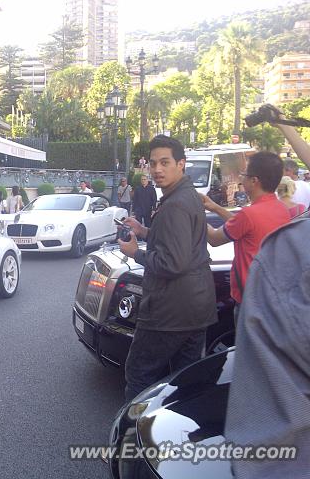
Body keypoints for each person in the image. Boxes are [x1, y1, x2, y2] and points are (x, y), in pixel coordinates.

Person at [117, 135, 217, 402]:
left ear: (181, 164)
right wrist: (145, 231)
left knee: (139, 375)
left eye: (165, 162)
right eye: (153, 163)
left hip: (169, 312)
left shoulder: (175, 204)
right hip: (196, 309)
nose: (157, 169)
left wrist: (135, 252)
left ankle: (131, 438)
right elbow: (178, 242)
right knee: (184, 383)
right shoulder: (186, 196)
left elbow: (173, 262)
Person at [224, 215, 310, 479]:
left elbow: (270, 451)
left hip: (250, 303)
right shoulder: (283, 213)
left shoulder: (289, 249)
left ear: (252, 180)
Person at [202, 151, 290, 324]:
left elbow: (213, 238)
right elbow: (244, 227)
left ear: (254, 181)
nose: (242, 178)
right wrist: (215, 208)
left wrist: (194, 213)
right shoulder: (280, 209)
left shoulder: (249, 214)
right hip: (271, 295)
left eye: (244, 174)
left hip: (249, 300)